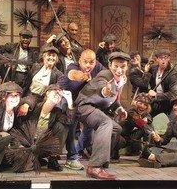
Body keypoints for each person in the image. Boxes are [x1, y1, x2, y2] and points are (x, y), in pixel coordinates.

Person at [75, 51, 131, 179]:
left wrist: (119, 109)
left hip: (95, 108)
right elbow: (102, 87)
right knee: (105, 122)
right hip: (84, 106)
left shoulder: (121, 80)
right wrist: (104, 91)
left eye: (123, 67)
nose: (119, 70)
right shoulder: (105, 75)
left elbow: (113, 99)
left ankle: (97, 153)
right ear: (110, 65)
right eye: (116, 66)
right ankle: (95, 166)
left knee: (116, 128)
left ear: (127, 67)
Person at [7, 84, 76, 172]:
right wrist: (26, 104)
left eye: (60, 94)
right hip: (25, 144)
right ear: (47, 93)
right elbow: (30, 98)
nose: (58, 94)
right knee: (21, 167)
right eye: (55, 91)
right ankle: (32, 159)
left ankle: (52, 159)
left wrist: (70, 100)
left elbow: (70, 121)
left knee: (62, 126)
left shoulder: (56, 112)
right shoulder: (33, 105)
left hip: (41, 145)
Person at [57, 49, 105, 170]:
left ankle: (78, 151)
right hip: (66, 97)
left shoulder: (98, 66)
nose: (88, 65)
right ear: (80, 61)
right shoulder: (73, 66)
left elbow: (107, 74)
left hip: (84, 101)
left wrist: (118, 76)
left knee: (90, 125)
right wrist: (82, 76)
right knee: (71, 123)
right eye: (85, 62)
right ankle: (71, 157)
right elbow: (73, 74)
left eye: (91, 62)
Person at [17, 46, 63, 117]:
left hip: (40, 103)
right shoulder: (36, 67)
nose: (51, 58)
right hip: (27, 96)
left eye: (53, 56)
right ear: (44, 56)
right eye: (49, 55)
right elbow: (26, 83)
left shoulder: (58, 75)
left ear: (56, 59)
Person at [114, 93, 154, 160]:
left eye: (145, 105)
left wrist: (147, 119)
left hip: (126, 137)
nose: (142, 106)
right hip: (118, 137)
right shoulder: (131, 110)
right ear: (135, 102)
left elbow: (149, 117)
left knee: (148, 126)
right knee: (146, 128)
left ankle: (146, 150)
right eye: (140, 103)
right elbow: (139, 122)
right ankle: (146, 151)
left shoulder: (141, 111)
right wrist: (152, 133)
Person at [147, 48, 177, 118]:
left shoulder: (172, 74)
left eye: (166, 58)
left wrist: (156, 95)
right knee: (145, 118)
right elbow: (145, 83)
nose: (163, 60)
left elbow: (174, 94)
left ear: (169, 59)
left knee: (175, 122)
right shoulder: (153, 69)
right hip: (155, 102)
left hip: (169, 103)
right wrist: (146, 72)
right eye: (161, 58)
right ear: (157, 59)